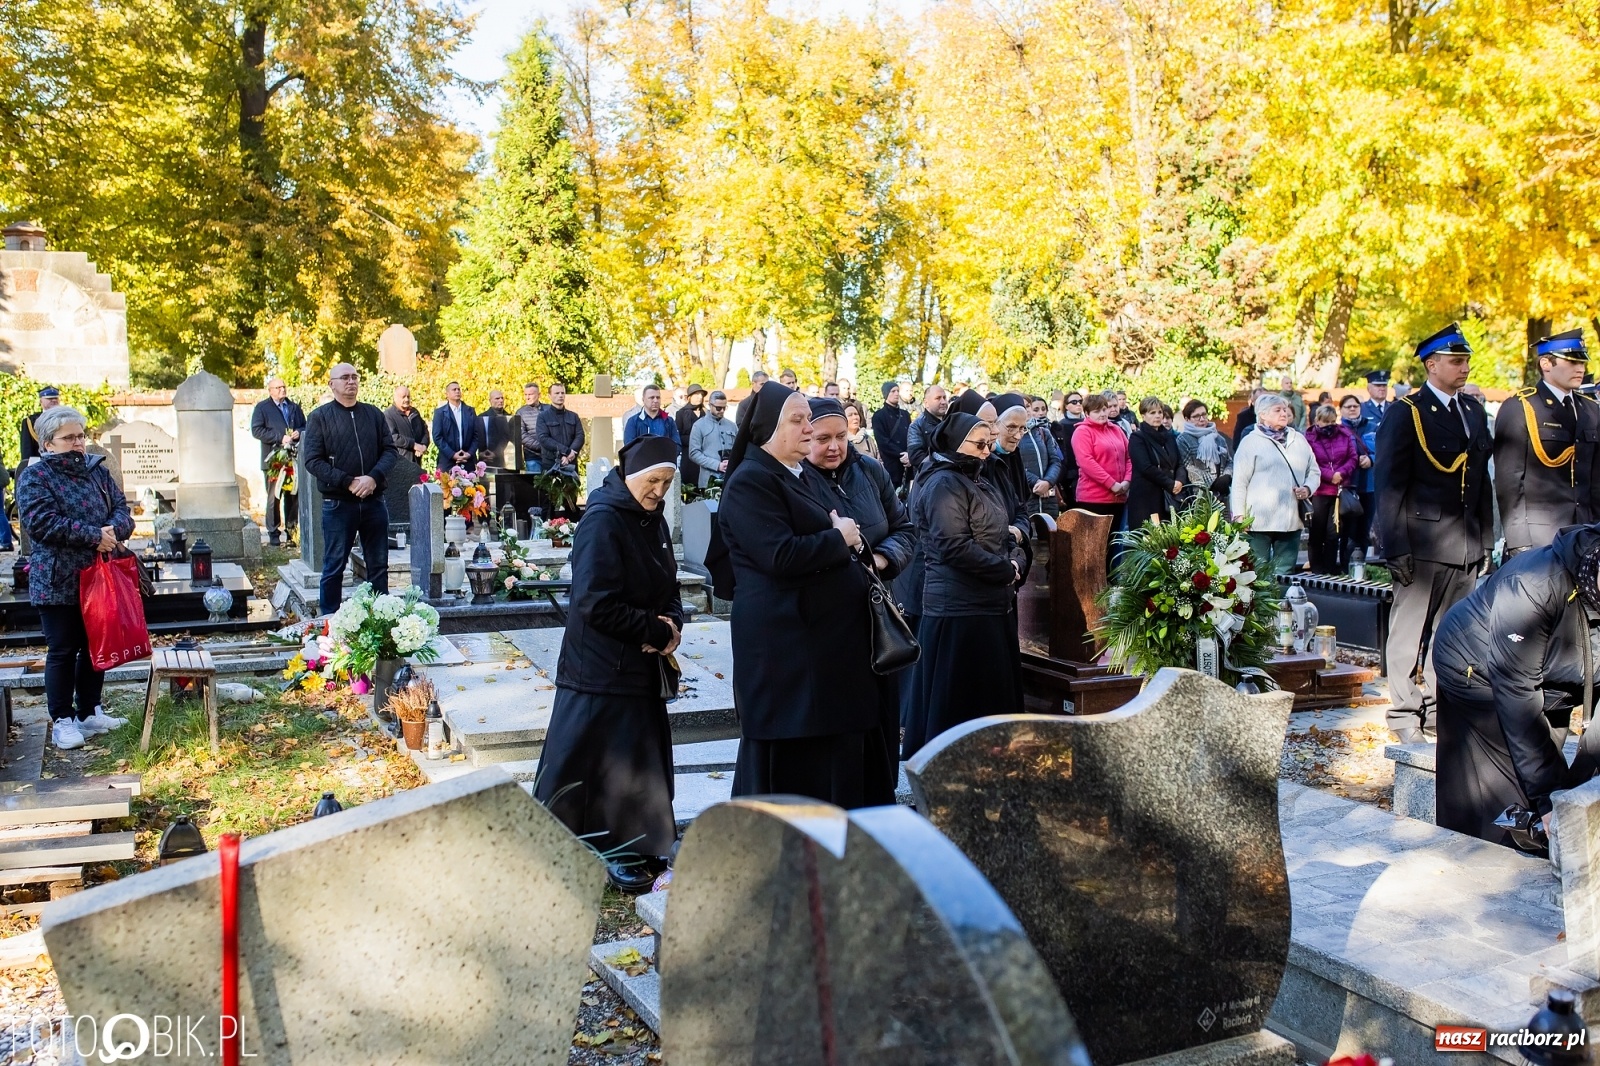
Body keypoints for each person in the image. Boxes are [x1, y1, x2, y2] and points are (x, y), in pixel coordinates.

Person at [718, 382, 890, 809]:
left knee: (834, 762)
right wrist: (839, 536)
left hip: (822, 652)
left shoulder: (793, 474)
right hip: (790, 657)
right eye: (797, 420)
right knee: (795, 774)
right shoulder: (750, 481)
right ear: (767, 429)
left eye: (808, 419)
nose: (809, 429)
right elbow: (779, 555)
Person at [534, 435, 684, 892]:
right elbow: (593, 603)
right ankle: (592, 850)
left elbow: (669, 585)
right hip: (599, 668)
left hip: (636, 667)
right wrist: (655, 631)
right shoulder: (603, 520)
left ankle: (639, 846)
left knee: (637, 764)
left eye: (667, 482)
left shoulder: (652, 518)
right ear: (630, 476)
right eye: (653, 480)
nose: (659, 490)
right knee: (591, 767)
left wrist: (673, 624)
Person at [1432, 524, 1600, 851]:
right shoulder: (1534, 584)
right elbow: (1517, 694)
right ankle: (1474, 860)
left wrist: (1579, 792)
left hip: (1553, 683)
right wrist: (1551, 798)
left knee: (1554, 792)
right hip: (1475, 668)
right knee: (1509, 798)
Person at [1375, 323, 1494, 743]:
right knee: (1408, 634)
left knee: (1453, 635)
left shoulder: (1473, 411)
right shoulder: (1407, 412)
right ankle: (1405, 715)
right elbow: (1389, 485)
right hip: (1421, 544)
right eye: (1456, 361)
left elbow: (1479, 483)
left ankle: (1441, 712)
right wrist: (1395, 547)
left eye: (1466, 361)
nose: (1464, 368)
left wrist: (1485, 540)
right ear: (1432, 365)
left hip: (1464, 544)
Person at [805, 398, 916, 792]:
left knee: (880, 719)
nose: (835, 446)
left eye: (841, 436)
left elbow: (904, 528)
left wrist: (881, 560)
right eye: (822, 439)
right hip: (830, 622)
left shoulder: (869, 470)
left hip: (877, 615)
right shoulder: (796, 480)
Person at [902, 412, 1026, 758]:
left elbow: (1004, 532)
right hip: (959, 609)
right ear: (956, 443)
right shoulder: (943, 483)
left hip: (990, 604)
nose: (987, 451)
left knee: (989, 704)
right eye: (980, 444)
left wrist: (1016, 560)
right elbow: (953, 547)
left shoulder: (979, 479)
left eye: (989, 444)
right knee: (958, 707)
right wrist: (1004, 570)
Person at [15, 405, 134, 750]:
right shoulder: (36, 477)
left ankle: (89, 711)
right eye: (69, 438)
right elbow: (41, 523)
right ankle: (63, 720)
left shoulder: (97, 471)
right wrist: (94, 535)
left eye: (80, 436)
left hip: (98, 574)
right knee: (63, 649)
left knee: (96, 646)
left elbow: (122, 510)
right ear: (48, 443)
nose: (78, 442)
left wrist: (113, 531)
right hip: (57, 578)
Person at [1495, 330, 1600, 557]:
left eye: (1582, 361)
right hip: (1540, 536)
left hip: (1586, 531)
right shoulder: (1521, 407)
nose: (1580, 368)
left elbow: (1595, 479)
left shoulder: (1590, 409)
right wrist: (1518, 541)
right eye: (1572, 361)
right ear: (1546, 364)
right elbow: (1509, 482)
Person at [301, 364, 397, 613]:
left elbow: (389, 451)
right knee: (334, 566)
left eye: (355, 377)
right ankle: (328, 622)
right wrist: (348, 481)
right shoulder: (319, 417)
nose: (351, 381)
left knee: (378, 565)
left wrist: (373, 478)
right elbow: (313, 461)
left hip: (374, 502)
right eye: (344, 377)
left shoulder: (373, 414)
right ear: (332, 384)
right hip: (339, 504)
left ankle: (381, 618)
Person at [1230, 393, 1318, 581]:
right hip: (1257, 522)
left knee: (1284, 574)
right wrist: (1238, 515)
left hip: (1290, 519)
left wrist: (1308, 488)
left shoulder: (1298, 439)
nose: (1284, 413)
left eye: (1285, 409)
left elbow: (1314, 471)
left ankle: (1281, 601)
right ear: (1262, 414)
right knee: (1257, 572)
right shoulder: (1250, 442)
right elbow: (1239, 483)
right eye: (1277, 410)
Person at [249, 377, 306, 548]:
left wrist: (298, 432)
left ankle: (291, 532)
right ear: (270, 390)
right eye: (278, 387)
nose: (282, 389)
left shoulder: (294, 407)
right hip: (273, 459)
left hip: (292, 458)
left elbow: (305, 426)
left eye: (284, 386)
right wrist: (280, 437)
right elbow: (257, 430)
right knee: (274, 496)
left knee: (293, 495)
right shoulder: (262, 408)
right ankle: (273, 533)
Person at [1071, 393, 1131, 555]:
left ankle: (1113, 572)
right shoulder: (1082, 432)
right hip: (1094, 499)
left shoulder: (1116, 430)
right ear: (1087, 413)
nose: (1103, 414)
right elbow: (1087, 462)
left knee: (1115, 546)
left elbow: (1129, 457)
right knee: (1096, 549)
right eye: (1097, 411)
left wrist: (1127, 481)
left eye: (1104, 409)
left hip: (1119, 497)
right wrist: (1112, 484)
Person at [1306, 404, 1360, 574]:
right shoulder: (1309, 438)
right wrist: (1330, 475)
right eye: (1325, 422)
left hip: (1339, 491)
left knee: (1333, 534)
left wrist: (1341, 473)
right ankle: (1317, 570)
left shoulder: (1344, 434)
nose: (1329, 425)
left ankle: (1329, 569)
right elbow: (1310, 462)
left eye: (1332, 422)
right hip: (1319, 491)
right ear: (1317, 421)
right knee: (1317, 533)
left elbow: (1353, 457)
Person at [1127, 396, 1183, 527]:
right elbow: (1145, 467)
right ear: (1143, 415)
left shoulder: (1169, 436)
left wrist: (1180, 481)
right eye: (1152, 413)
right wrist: (1170, 483)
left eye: (1160, 412)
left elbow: (1179, 463)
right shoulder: (1137, 438)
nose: (1157, 416)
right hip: (1146, 498)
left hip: (1169, 497)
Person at [1339, 394, 1377, 562]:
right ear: (1341, 410)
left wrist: (1372, 459)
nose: (1352, 409)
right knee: (1348, 531)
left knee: (1364, 531)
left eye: (1355, 406)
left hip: (1369, 486)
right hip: (1348, 487)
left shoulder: (1372, 427)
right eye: (1348, 407)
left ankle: (1359, 566)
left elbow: (1384, 450)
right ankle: (1345, 567)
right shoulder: (1338, 430)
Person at [1175, 399, 1233, 504]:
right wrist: (1212, 482)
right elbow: (1188, 467)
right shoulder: (1183, 440)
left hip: (1222, 494)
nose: (1202, 419)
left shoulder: (1219, 438)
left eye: (1204, 414)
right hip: (1198, 495)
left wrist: (1227, 476)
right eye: (1196, 416)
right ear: (1187, 419)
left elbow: (1229, 461)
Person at [1019, 397, 1063, 517]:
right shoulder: (1012, 435)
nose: (1027, 410)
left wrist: (1048, 481)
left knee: (1049, 527)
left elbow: (1055, 461)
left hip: (1048, 498)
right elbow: (1013, 466)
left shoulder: (1043, 432)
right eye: (1022, 406)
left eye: (1028, 406)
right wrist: (1037, 482)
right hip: (1027, 498)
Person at [688, 390, 737, 487]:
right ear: (710, 405)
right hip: (708, 480)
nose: (722, 411)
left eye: (724, 408)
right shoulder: (699, 426)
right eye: (718, 408)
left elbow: (739, 449)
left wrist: (732, 461)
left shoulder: (732, 426)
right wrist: (716, 465)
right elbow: (694, 453)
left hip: (730, 479)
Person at [430, 381, 483, 472]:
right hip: (447, 461)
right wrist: (452, 454)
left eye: (458, 389)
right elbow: (437, 437)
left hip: (468, 461)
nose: (457, 391)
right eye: (454, 389)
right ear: (447, 394)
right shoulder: (440, 413)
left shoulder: (470, 411)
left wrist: (469, 453)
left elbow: (477, 435)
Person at [536, 382, 585, 477]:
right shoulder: (543, 417)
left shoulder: (573, 416)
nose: (560, 395)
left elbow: (580, 436)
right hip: (551, 464)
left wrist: (571, 453)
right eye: (557, 393)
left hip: (571, 463)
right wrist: (566, 452)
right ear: (549, 396)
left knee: (571, 487)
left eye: (562, 393)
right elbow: (543, 438)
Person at [872, 381, 911, 490]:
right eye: (893, 391)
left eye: (898, 391)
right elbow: (882, 441)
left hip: (908, 463)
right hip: (891, 464)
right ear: (886, 394)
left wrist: (909, 454)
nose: (896, 393)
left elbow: (911, 436)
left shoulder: (905, 414)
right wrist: (901, 454)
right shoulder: (879, 416)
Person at [905, 384, 948, 475]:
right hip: (929, 477)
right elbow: (915, 457)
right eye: (938, 398)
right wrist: (944, 463)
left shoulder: (952, 421)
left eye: (944, 397)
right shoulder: (917, 425)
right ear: (926, 403)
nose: (943, 402)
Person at [1052, 391, 1085, 503]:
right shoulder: (1060, 425)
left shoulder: (1088, 422)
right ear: (1066, 406)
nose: (1078, 404)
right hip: (1070, 472)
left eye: (1080, 401)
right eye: (1074, 402)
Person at [384, 385, 429, 462]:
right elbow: (393, 437)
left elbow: (424, 429)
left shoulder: (414, 412)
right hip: (400, 461)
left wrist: (423, 445)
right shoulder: (388, 415)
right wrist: (413, 445)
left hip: (417, 460)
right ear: (395, 398)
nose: (407, 399)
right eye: (403, 397)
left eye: (408, 396)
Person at [19, 385, 61, 466]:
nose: (53, 400)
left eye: (56, 398)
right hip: (39, 464)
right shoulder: (30, 421)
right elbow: (27, 449)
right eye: (49, 399)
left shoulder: (68, 418)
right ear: (41, 401)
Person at [675, 384, 707, 486]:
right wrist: (695, 440)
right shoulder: (681, 413)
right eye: (697, 394)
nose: (700, 397)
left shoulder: (706, 414)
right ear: (689, 397)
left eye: (701, 394)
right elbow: (678, 436)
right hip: (689, 457)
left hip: (705, 456)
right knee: (690, 487)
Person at [479, 389, 516, 468]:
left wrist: (496, 453)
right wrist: (481, 454)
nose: (501, 400)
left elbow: (510, 439)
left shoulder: (510, 419)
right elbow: (477, 436)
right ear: (490, 400)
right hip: (484, 460)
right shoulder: (481, 417)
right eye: (497, 398)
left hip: (505, 461)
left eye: (502, 398)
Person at [515, 383, 544, 473]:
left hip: (551, 457)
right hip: (532, 457)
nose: (527, 397)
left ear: (539, 395)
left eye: (530, 394)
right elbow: (522, 435)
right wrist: (542, 447)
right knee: (534, 481)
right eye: (525, 394)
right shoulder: (521, 412)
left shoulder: (549, 409)